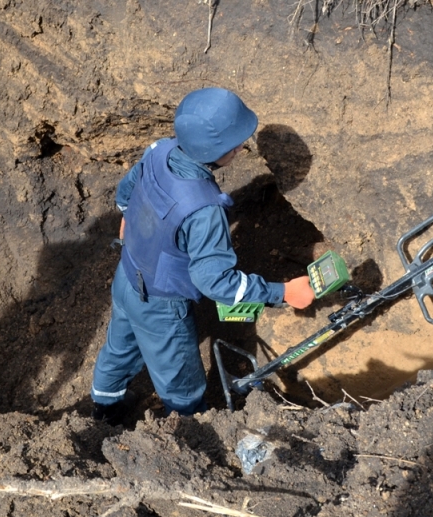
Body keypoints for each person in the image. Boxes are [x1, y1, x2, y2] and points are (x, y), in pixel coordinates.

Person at [91, 87, 315, 424]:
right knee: (182, 384)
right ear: (215, 150)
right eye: (236, 144)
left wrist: (136, 226)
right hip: (162, 306)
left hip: (126, 276)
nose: (241, 148)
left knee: (118, 350)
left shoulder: (159, 151)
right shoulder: (204, 209)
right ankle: (187, 437)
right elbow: (215, 281)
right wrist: (282, 293)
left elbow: (126, 195)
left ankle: (105, 410)